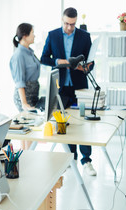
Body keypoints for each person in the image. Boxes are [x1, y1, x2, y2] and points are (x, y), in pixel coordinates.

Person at [40, 7, 97, 176]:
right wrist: (62, 61)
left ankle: (86, 161)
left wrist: (87, 66)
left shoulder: (85, 37)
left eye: (73, 24)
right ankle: (70, 158)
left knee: (83, 122)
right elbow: (44, 58)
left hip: (79, 84)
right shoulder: (53, 35)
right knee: (65, 122)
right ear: (62, 20)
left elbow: (91, 60)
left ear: (76, 21)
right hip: (61, 87)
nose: (70, 28)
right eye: (67, 24)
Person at [9, 23, 40, 149]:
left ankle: (26, 159)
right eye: (33, 33)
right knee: (28, 133)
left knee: (27, 132)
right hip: (24, 96)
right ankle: (27, 159)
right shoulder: (19, 55)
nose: (35, 36)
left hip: (32, 95)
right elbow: (19, 81)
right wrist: (24, 103)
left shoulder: (28, 52)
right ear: (25, 36)